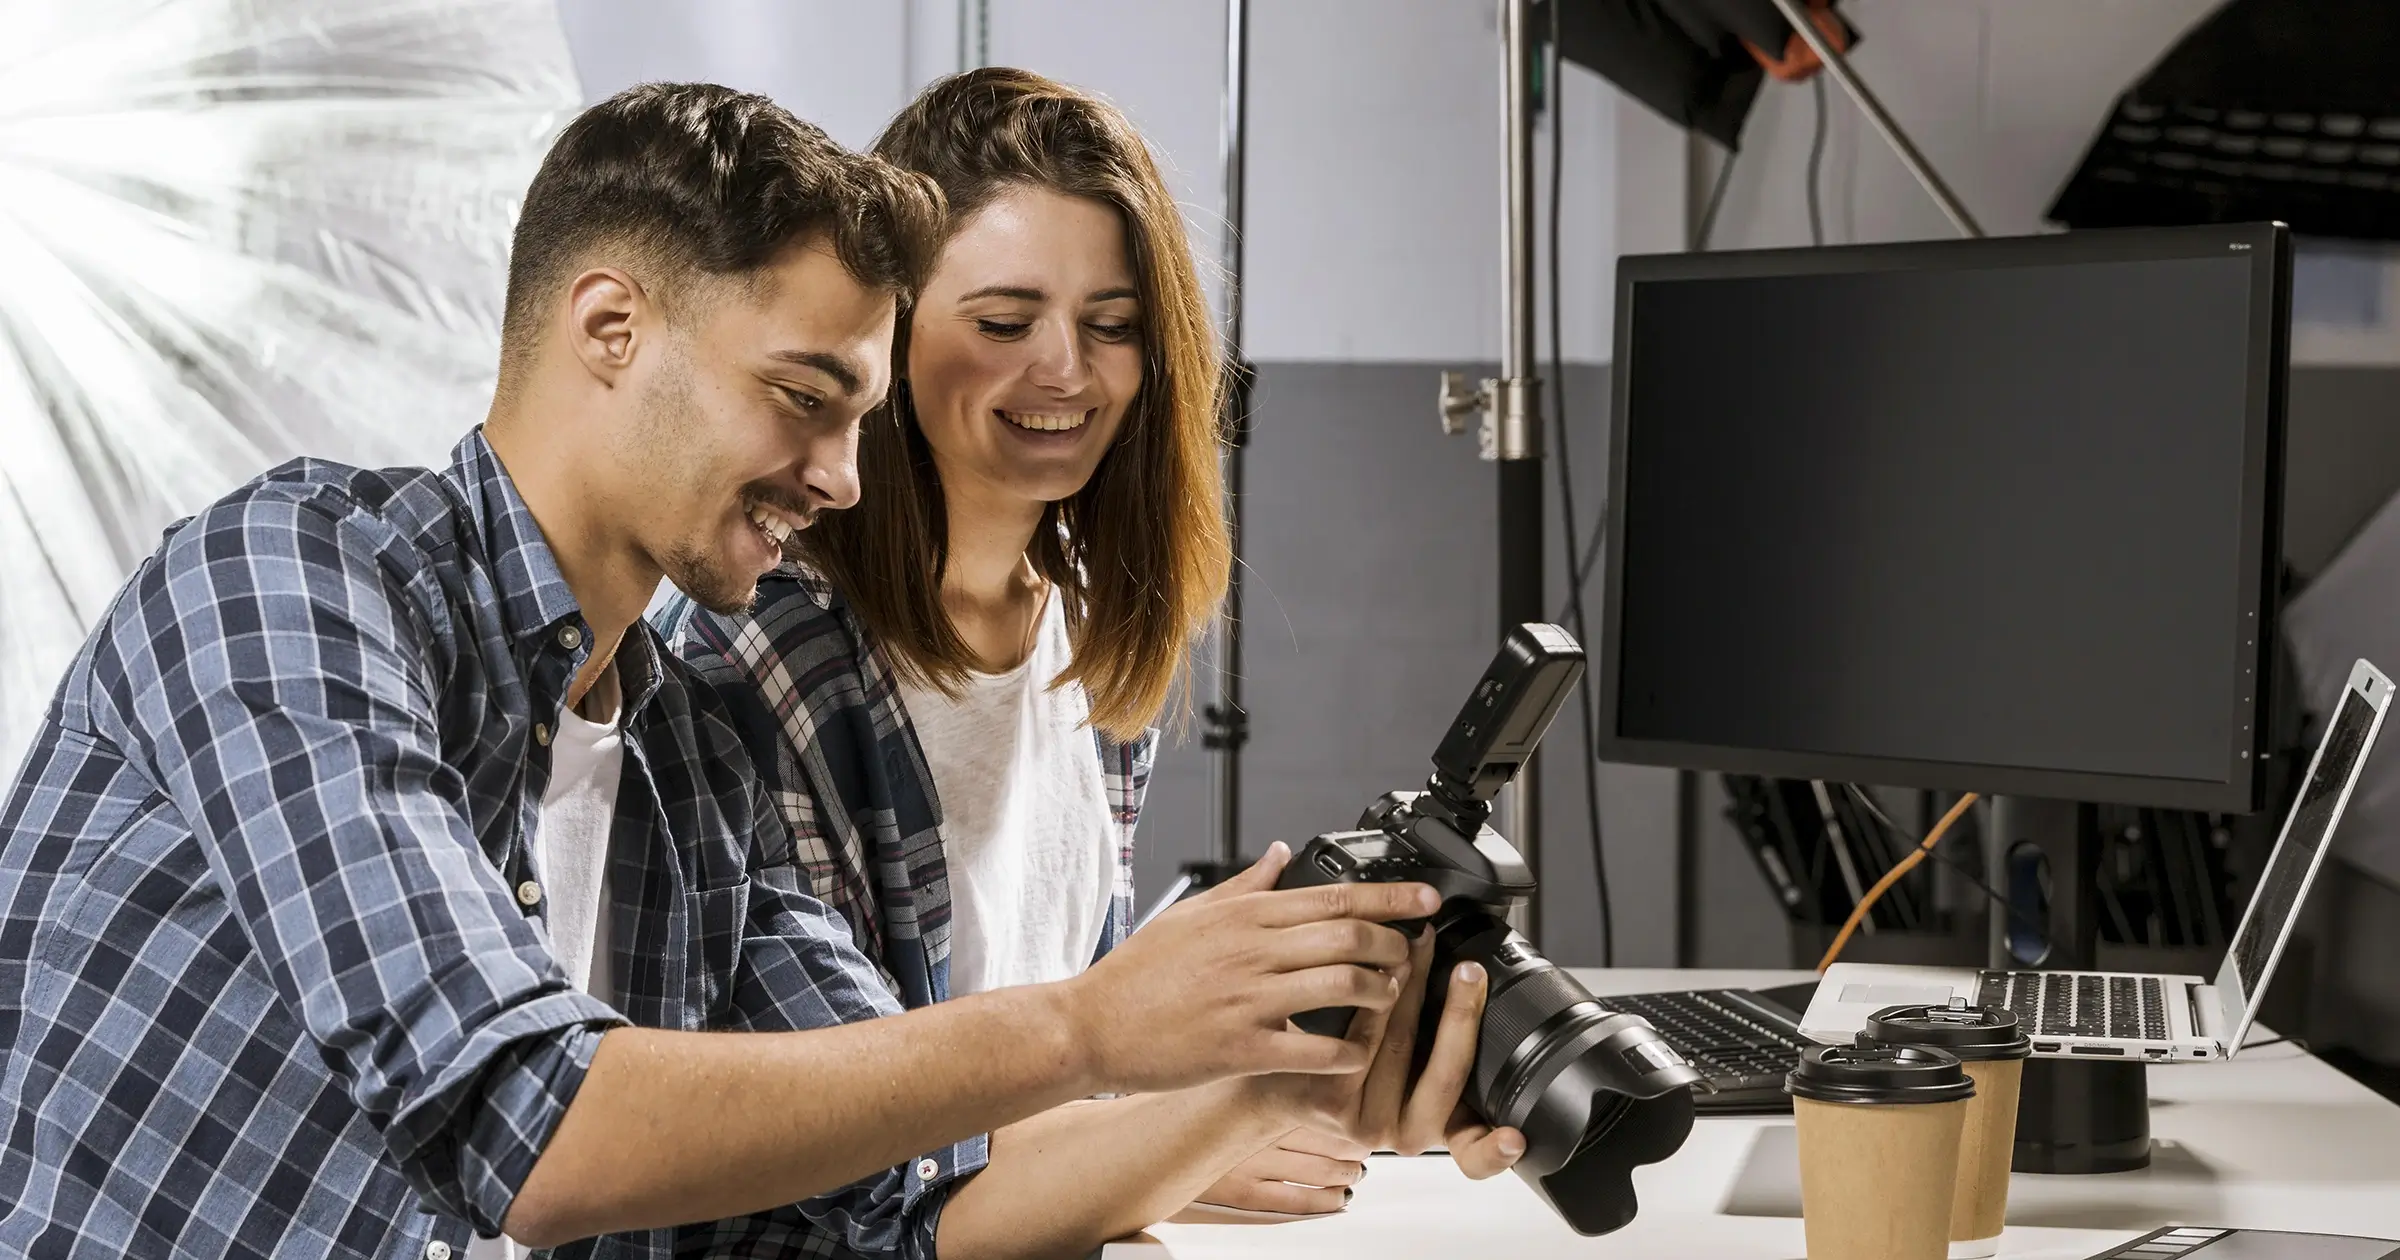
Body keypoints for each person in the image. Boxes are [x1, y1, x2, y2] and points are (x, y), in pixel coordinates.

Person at [0, 83, 1446, 1260]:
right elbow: (525, 1123)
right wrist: (1093, 1028)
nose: (841, 476)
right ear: (610, 329)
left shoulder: (687, 757)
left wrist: (1271, 1083)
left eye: (857, 418)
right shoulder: (286, 587)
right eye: (803, 400)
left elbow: (907, 1194)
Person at [663, 68, 1524, 1256]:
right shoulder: (761, 658)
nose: (1067, 370)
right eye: (1004, 324)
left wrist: (1189, 1131)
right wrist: (1220, 1118)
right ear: (890, 335)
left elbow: (1064, 1076)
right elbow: (878, 1183)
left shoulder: (1077, 622)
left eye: (1112, 326)